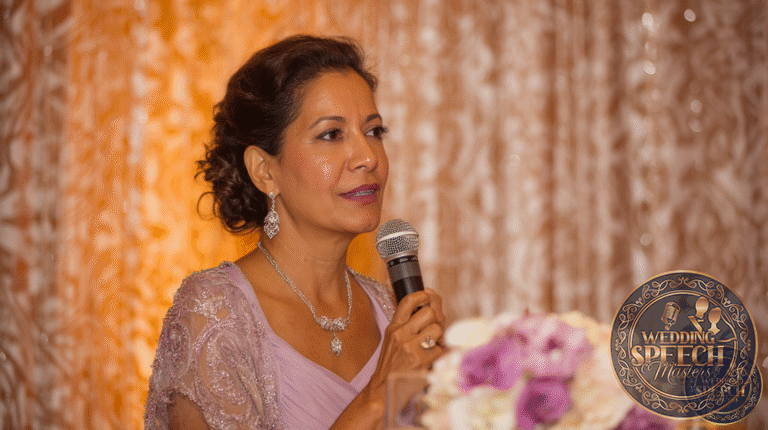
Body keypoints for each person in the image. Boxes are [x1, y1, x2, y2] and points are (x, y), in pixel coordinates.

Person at [144, 35, 446, 430]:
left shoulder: (390, 310)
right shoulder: (213, 315)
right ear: (265, 170)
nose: (369, 157)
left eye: (374, 131)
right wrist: (380, 393)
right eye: (331, 135)